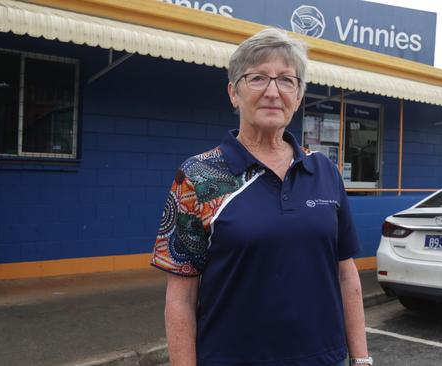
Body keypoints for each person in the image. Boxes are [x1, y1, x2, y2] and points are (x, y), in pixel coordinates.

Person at [151, 28, 372, 366]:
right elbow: (181, 297)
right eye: (257, 78)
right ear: (233, 93)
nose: (273, 92)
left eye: (287, 80)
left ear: (298, 97)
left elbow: (346, 274)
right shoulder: (198, 176)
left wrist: (361, 359)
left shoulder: (324, 171)